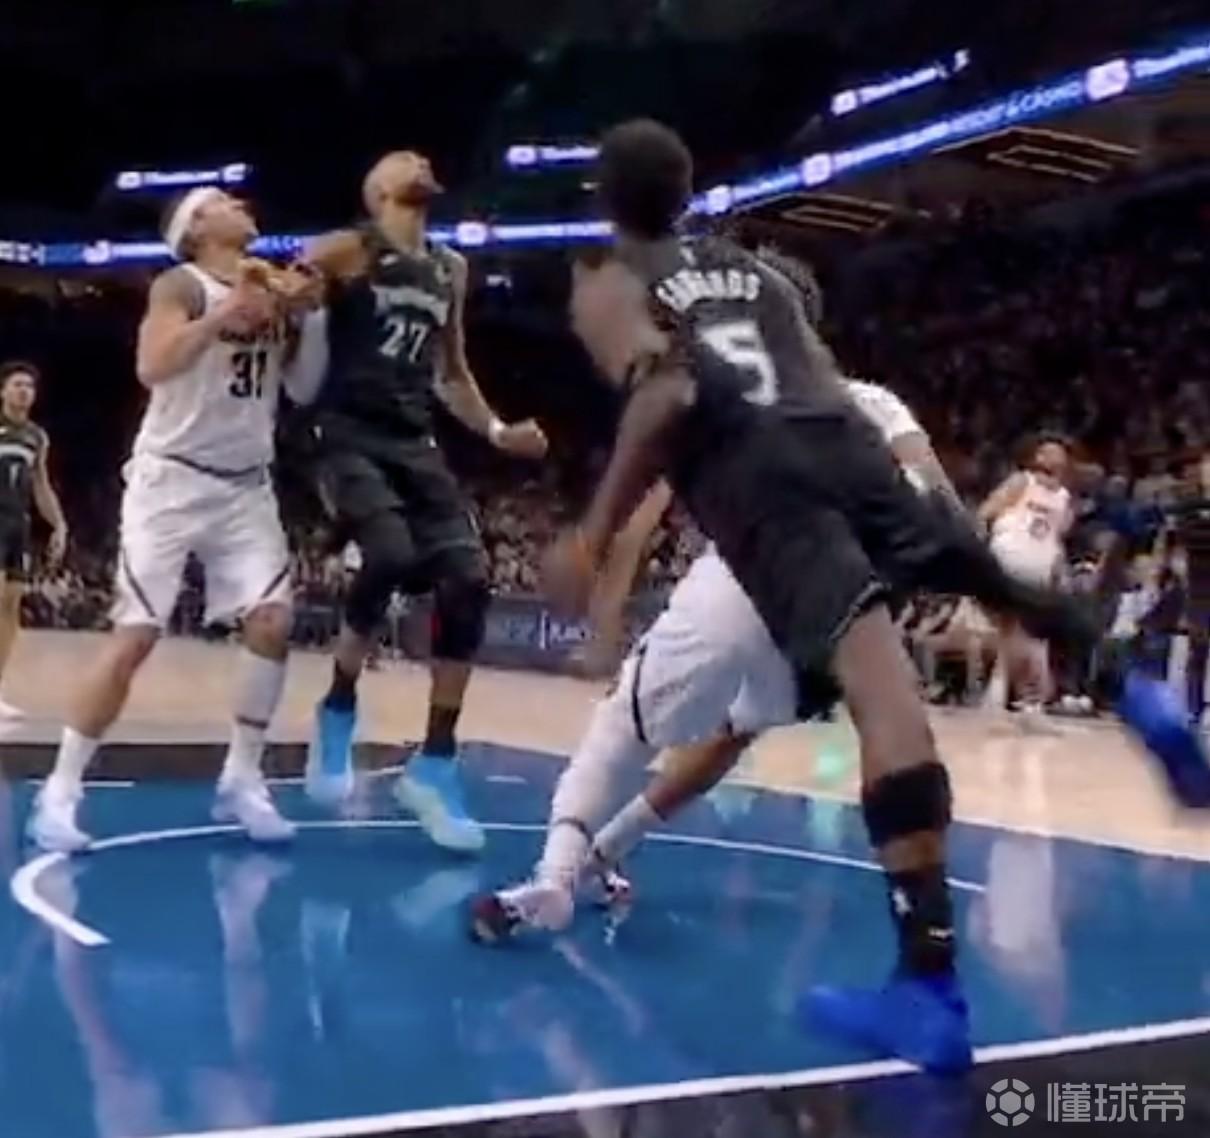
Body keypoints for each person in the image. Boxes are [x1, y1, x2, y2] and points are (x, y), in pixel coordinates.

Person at [470, 120, 1210, 1074]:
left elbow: (667, 399)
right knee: (981, 585)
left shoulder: (612, 280)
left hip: (763, 486)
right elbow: (814, 375)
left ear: (607, 203)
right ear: (688, 192)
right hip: (844, 443)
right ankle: (1138, 698)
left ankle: (928, 988)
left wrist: (590, 533)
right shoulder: (757, 274)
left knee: (883, 700)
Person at [29, 187, 329, 852]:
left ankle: (242, 779)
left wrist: (311, 318)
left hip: (245, 485)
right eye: (222, 200)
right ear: (196, 229)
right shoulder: (182, 284)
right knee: (135, 636)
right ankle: (60, 791)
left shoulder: (273, 289)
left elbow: (304, 388)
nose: (241, 201)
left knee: (273, 622)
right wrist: (225, 314)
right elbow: (152, 365)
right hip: (171, 480)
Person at [299, 151, 548, 851]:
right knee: (388, 553)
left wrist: (496, 430)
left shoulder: (450, 268)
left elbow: (453, 373)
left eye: (423, 157)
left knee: (469, 579)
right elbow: (291, 292)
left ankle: (434, 764)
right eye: (401, 159)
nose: (418, 160)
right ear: (376, 188)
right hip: (347, 432)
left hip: (413, 440)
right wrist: (280, 289)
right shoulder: (347, 248)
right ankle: (337, 707)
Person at [978, 436, 1074, 723]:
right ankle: (1023, 696)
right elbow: (986, 511)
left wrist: (1060, 572)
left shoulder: (1064, 498)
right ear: (1037, 458)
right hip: (1008, 559)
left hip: (1040, 568)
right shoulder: (1021, 481)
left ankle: (1011, 694)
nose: (1050, 456)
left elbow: (1057, 539)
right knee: (1016, 629)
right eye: (1045, 451)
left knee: (1021, 633)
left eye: (1056, 452)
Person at [0, 361, 68, 715]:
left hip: (17, 525)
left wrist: (59, 524)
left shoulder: (36, 437)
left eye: (29, 386)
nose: (24, 391)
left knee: (10, 607)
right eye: (17, 384)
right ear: (2, 391)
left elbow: (41, 485)